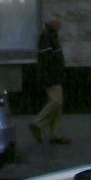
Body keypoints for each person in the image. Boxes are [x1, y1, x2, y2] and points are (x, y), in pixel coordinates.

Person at [29, 13, 70, 145]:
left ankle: (55, 134)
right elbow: (46, 59)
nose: (60, 25)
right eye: (58, 22)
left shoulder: (51, 35)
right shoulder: (47, 36)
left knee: (58, 105)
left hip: (55, 75)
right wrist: (51, 76)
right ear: (53, 23)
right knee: (56, 102)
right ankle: (37, 123)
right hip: (52, 76)